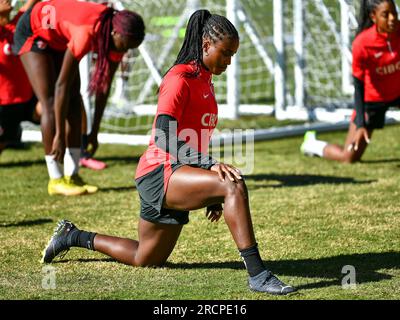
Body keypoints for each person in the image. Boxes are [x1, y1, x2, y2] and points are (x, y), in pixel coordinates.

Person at [40, 9, 296, 296]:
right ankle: (258, 275)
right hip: (159, 173)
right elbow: (163, 137)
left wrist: (210, 191)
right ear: (206, 45)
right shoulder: (179, 78)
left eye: (233, 55)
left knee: (146, 259)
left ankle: (73, 235)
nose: (229, 61)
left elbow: (195, 139)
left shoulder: (206, 80)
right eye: (225, 53)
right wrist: (211, 169)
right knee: (233, 183)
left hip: (177, 175)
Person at [13, 0, 145, 195]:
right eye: (125, 46)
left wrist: (94, 132)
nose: (125, 51)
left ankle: (72, 175)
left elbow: (103, 88)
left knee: (75, 102)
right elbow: (61, 86)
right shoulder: (85, 32)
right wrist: (59, 135)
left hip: (57, 37)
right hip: (32, 31)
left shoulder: (116, 38)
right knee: (49, 101)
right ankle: (56, 180)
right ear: (115, 34)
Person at [300, 0, 400, 163]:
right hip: (372, 100)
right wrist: (360, 123)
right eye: (385, 14)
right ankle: (312, 144)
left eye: (394, 13)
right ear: (373, 17)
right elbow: (359, 86)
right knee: (349, 157)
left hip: (398, 93)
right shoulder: (362, 43)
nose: (392, 18)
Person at [0, 0, 40, 155]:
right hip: (4, 105)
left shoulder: (18, 23)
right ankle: (14, 135)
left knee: (52, 109)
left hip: (27, 99)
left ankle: (78, 153)